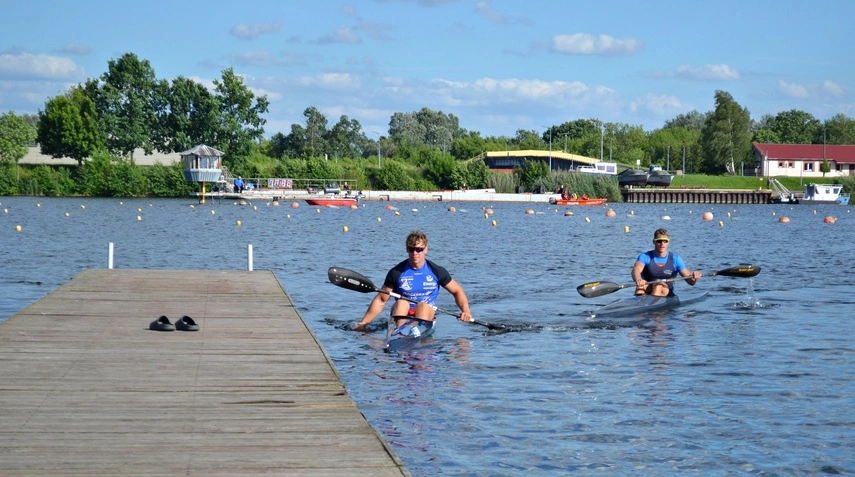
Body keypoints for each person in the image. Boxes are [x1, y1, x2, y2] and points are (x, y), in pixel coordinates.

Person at [353, 231, 473, 331]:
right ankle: (400, 333)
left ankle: (413, 331)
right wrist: (363, 323)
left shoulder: (436, 271)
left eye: (419, 249)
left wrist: (465, 311)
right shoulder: (396, 272)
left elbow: (457, 291)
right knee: (401, 303)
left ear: (426, 249)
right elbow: (381, 299)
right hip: (402, 313)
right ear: (407, 249)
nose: (415, 253)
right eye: (411, 249)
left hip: (425, 313)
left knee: (423, 306)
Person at [632, 228, 701, 297]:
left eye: (665, 241)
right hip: (649, 288)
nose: (662, 243)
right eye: (659, 241)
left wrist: (694, 277)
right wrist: (638, 279)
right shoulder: (645, 256)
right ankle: (639, 303)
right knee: (640, 288)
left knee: (658, 285)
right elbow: (636, 269)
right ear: (654, 242)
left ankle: (653, 305)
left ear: (668, 242)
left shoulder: (675, 259)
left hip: (666, 291)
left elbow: (690, 282)